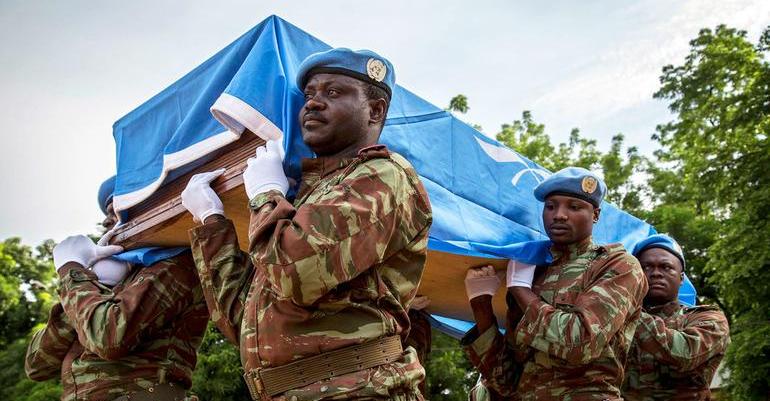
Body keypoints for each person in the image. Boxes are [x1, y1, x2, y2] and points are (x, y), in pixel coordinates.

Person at [181, 48, 433, 400]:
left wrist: (266, 196)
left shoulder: (385, 176)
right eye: (309, 95)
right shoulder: (300, 204)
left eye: (332, 93)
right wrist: (211, 222)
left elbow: (294, 272)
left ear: (375, 111)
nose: (312, 103)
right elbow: (241, 322)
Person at [462, 167, 648, 400]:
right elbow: (506, 381)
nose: (559, 215)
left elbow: (581, 343)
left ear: (596, 214)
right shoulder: (535, 270)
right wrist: (481, 304)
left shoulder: (617, 265)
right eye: (550, 206)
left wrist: (520, 290)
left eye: (574, 206)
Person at [25, 177, 209, 401]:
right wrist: (97, 283)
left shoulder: (175, 262)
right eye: (108, 213)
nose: (106, 222)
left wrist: (71, 271)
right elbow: (37, 365)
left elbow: (109, 338)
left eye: (118, 209)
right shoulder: (104, 278)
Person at [623, 234, 730, 400]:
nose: (655, 273)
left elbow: (684, 354)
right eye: (646, 267)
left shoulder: (708, 317)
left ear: (681, 278)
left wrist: (627, 308)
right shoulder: (615, 320)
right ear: (635, 275)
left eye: (666, 267)